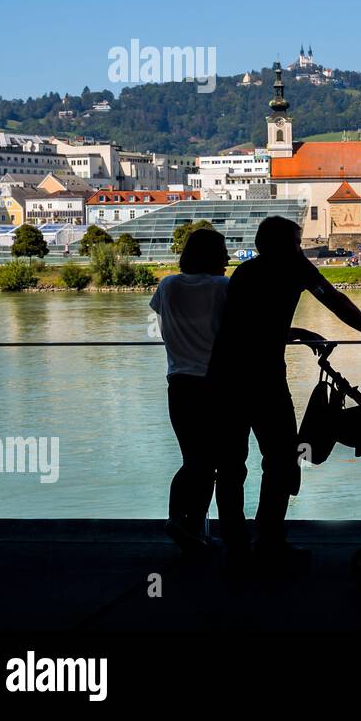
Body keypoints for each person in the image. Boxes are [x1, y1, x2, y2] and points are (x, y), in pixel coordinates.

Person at [208, 216, 361, 573]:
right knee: (279, 460)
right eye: (297, 240)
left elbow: (249, 326)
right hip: (264, 380)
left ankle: (236, 545)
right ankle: (270, 541)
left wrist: (297, 332)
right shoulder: (295, 268)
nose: (301, 246)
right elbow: (334, 300)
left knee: (230, 465)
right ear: (286, 244)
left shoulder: (244, 274)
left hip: (226, 377)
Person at [148, 227, 231, 555]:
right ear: (212, 256)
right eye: (223, 252)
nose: (227, 259)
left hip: (179, 384)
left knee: (191, 459)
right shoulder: (223, 288)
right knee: (211, 463)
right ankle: (191, 524)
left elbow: (161, 316)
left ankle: (180, 520)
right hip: (214, 385)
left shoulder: (167, 285)